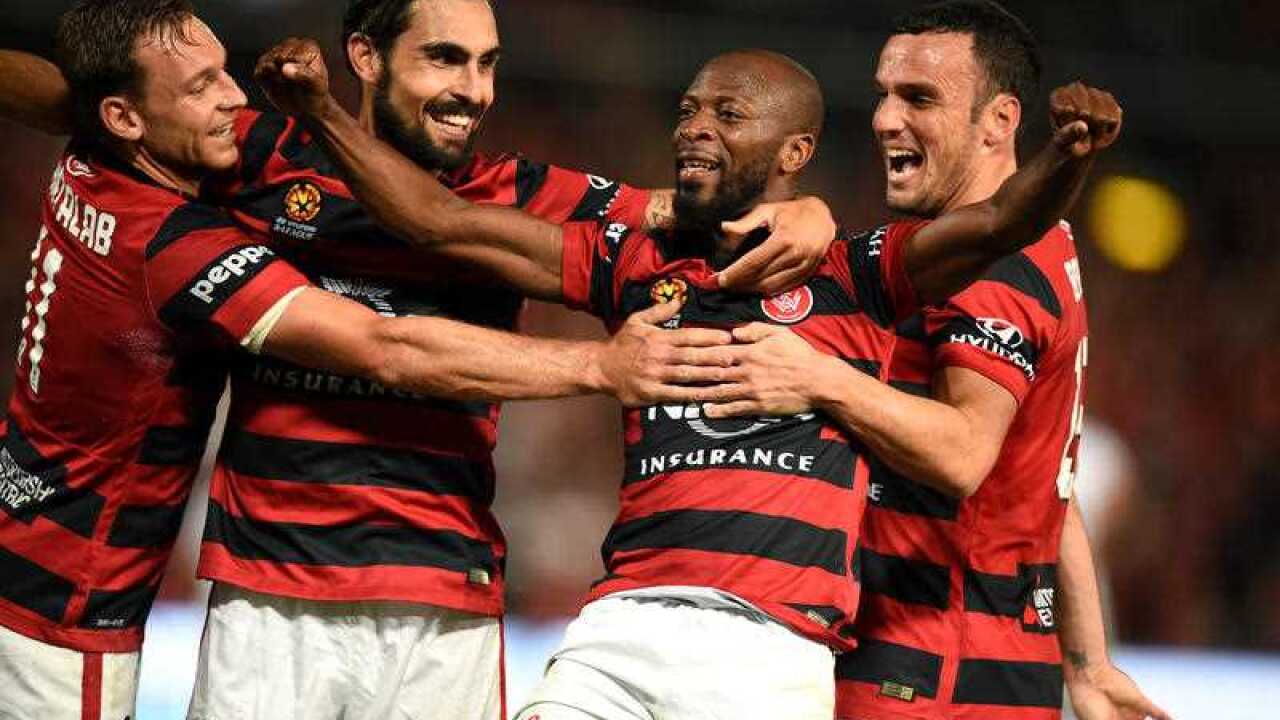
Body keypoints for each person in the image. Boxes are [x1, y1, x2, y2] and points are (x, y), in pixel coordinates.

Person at [0, 2, 835, 717]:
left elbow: (698, 213)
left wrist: (814, 215)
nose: (473, 89)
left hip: (448, 600)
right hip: (271, 595)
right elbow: (88, 101)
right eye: (444, 57)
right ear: (366, 57)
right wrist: (596, 368)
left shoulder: (527, 194)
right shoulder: (256, 154)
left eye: (487, 63)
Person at [254, 33, 1120, 717]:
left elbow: (1001, 221)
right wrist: (325, 113)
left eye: (729, 113)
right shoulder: (631, 260)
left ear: (794, 152)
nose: (694, 126)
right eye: (689, 108)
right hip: (621, 621)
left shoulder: (858, 274)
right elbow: (440, 224)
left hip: (771, 648)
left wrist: (1069, 154)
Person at [695, 2, 1170, 719]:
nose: (886, 118)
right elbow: (1044, 485)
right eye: (885, 93)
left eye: (919, 98)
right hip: (987, 664)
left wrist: (818, 377)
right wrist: (1088, 661)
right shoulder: (1038, 245)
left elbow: (964, 453)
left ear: (999, 121)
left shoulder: (989, 272)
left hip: (927, 669)